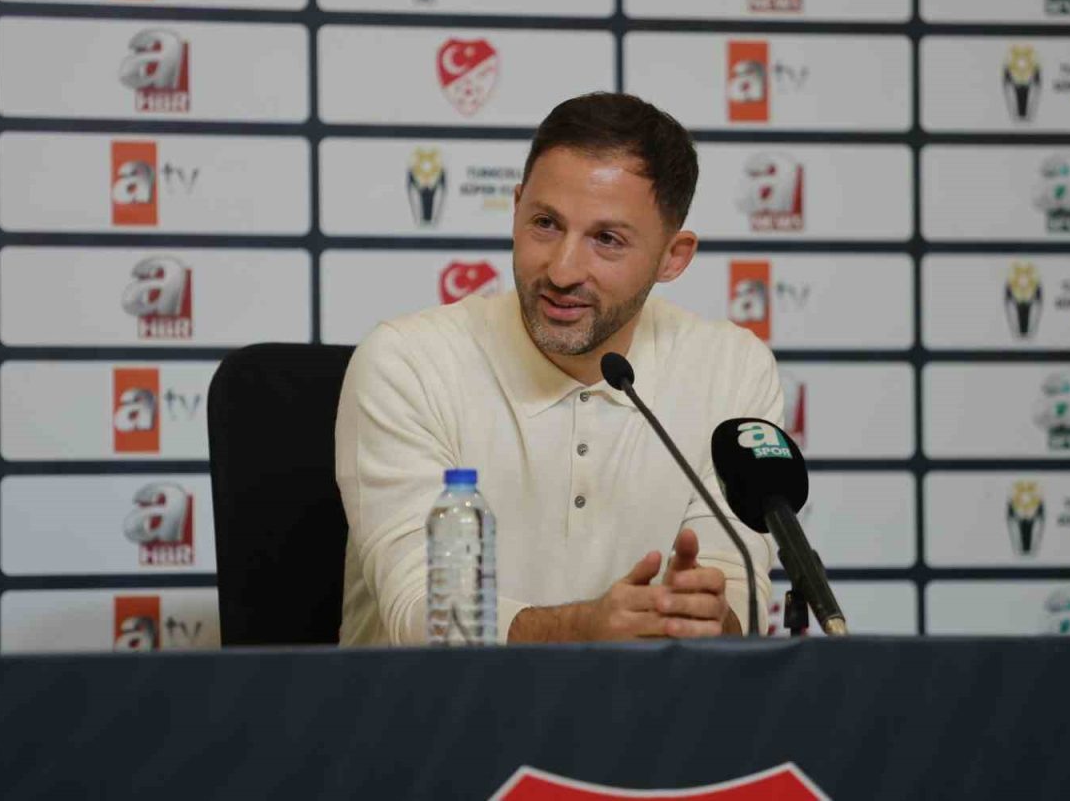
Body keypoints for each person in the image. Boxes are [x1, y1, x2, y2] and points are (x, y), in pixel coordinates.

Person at [335, 92, 783, 645]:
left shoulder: (733, 368)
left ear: (673, 257)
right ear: (516, 208)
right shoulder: (407, 361)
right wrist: (583, 630)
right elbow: (423, 615)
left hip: (644, 700)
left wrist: (705, 615)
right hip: (437, 702)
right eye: (545, 223)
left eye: (607, 240)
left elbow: (736, 590)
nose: (563, 270)